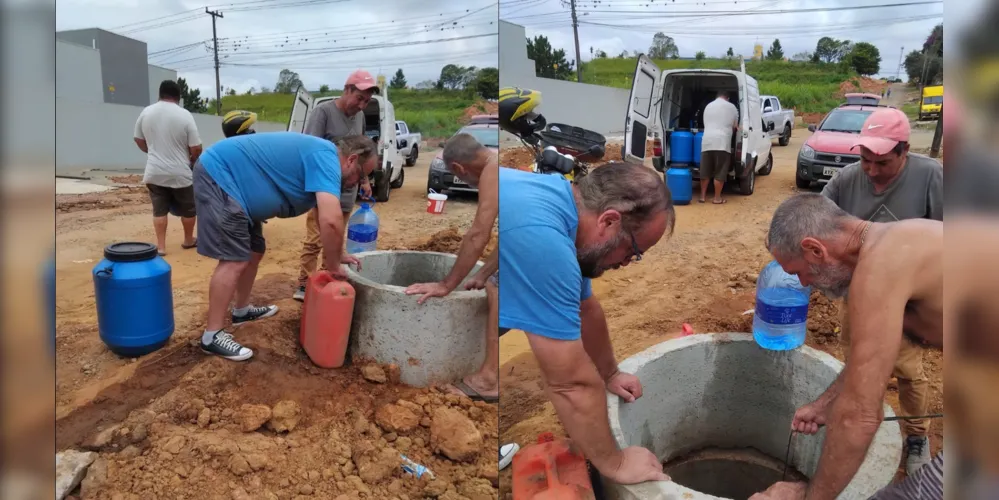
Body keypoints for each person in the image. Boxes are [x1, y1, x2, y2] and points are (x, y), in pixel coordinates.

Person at [751, 193, 942, 500]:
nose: (804, 284)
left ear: (815, 249)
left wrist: (810, 496)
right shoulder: (892, 243)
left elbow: (861, 416)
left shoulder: (880, 268)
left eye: (798, 272)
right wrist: (825, 403)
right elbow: (871, 361)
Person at [498, 162, 676, 485]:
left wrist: (610, 373)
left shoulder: (562, 207)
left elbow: (586, 309)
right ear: (609, 220)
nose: (626, 263)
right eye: (633, 251)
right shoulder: (545, 242)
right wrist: (616, 463)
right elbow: (569, 384)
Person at [820, 106, 942, 476]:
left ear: (904, 151)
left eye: (882, 162)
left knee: (906, 369)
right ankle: (859, 423)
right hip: (857, 293)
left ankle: (917, 434)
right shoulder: (846, 180)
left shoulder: (931, 177)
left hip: (909, 302)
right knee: (858, 361)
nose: (871, 170)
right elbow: (819, 218)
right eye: (866, 159)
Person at [194, 133, 377, 361]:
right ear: (351, 159)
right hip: (219, 175)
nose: (358, 183)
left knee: (254, 250)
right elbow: (331, 220)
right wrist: (333, 266)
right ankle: (212, 336)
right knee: (234, 259)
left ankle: (241, 311)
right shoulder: (327, 158)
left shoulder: (325, 159)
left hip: (234, 184)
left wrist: (339, 253)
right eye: (361, 175)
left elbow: (323, 213)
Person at [404, 133, 499, 401]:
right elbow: (510, 236)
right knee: (493, 283)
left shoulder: (492, 173)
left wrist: (446, 285)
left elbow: (479, 233)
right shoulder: (501, 163)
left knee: (498, 289)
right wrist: (482, 273)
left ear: (458, 169)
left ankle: (489, 378)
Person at [294, 69, 378, 301]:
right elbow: (309, 150)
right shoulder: (323, 113)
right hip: (324, 189)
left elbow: (362, 151)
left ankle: (326, 278)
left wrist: (364, 179)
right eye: (359, 98)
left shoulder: (359, 117)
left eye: (367, 101)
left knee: (337, 235)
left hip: (348, 189)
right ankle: (304, 283)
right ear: (347, 90)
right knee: (316, 237)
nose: (361, 105)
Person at [133, 79, 202, 256]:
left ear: (160, 94)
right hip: (181, 172)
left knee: (159, 210)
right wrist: (193, 160)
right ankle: (188, 239)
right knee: (189, 208)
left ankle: (161, 247)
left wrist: (151, 152)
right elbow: (196, 147)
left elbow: (138, 139)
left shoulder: (146, 112)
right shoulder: (185, 114)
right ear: (178, 96)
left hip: (154, 171)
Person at [699, 91, 739, 204]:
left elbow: (706, 123)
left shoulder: (708, 106)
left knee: (705, 171)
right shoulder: (732, 107)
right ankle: (717, 198)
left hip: (706, 142)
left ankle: (702, 196)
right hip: (722, 142)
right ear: (727, 97)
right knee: (720, 171)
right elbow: (735, 126)